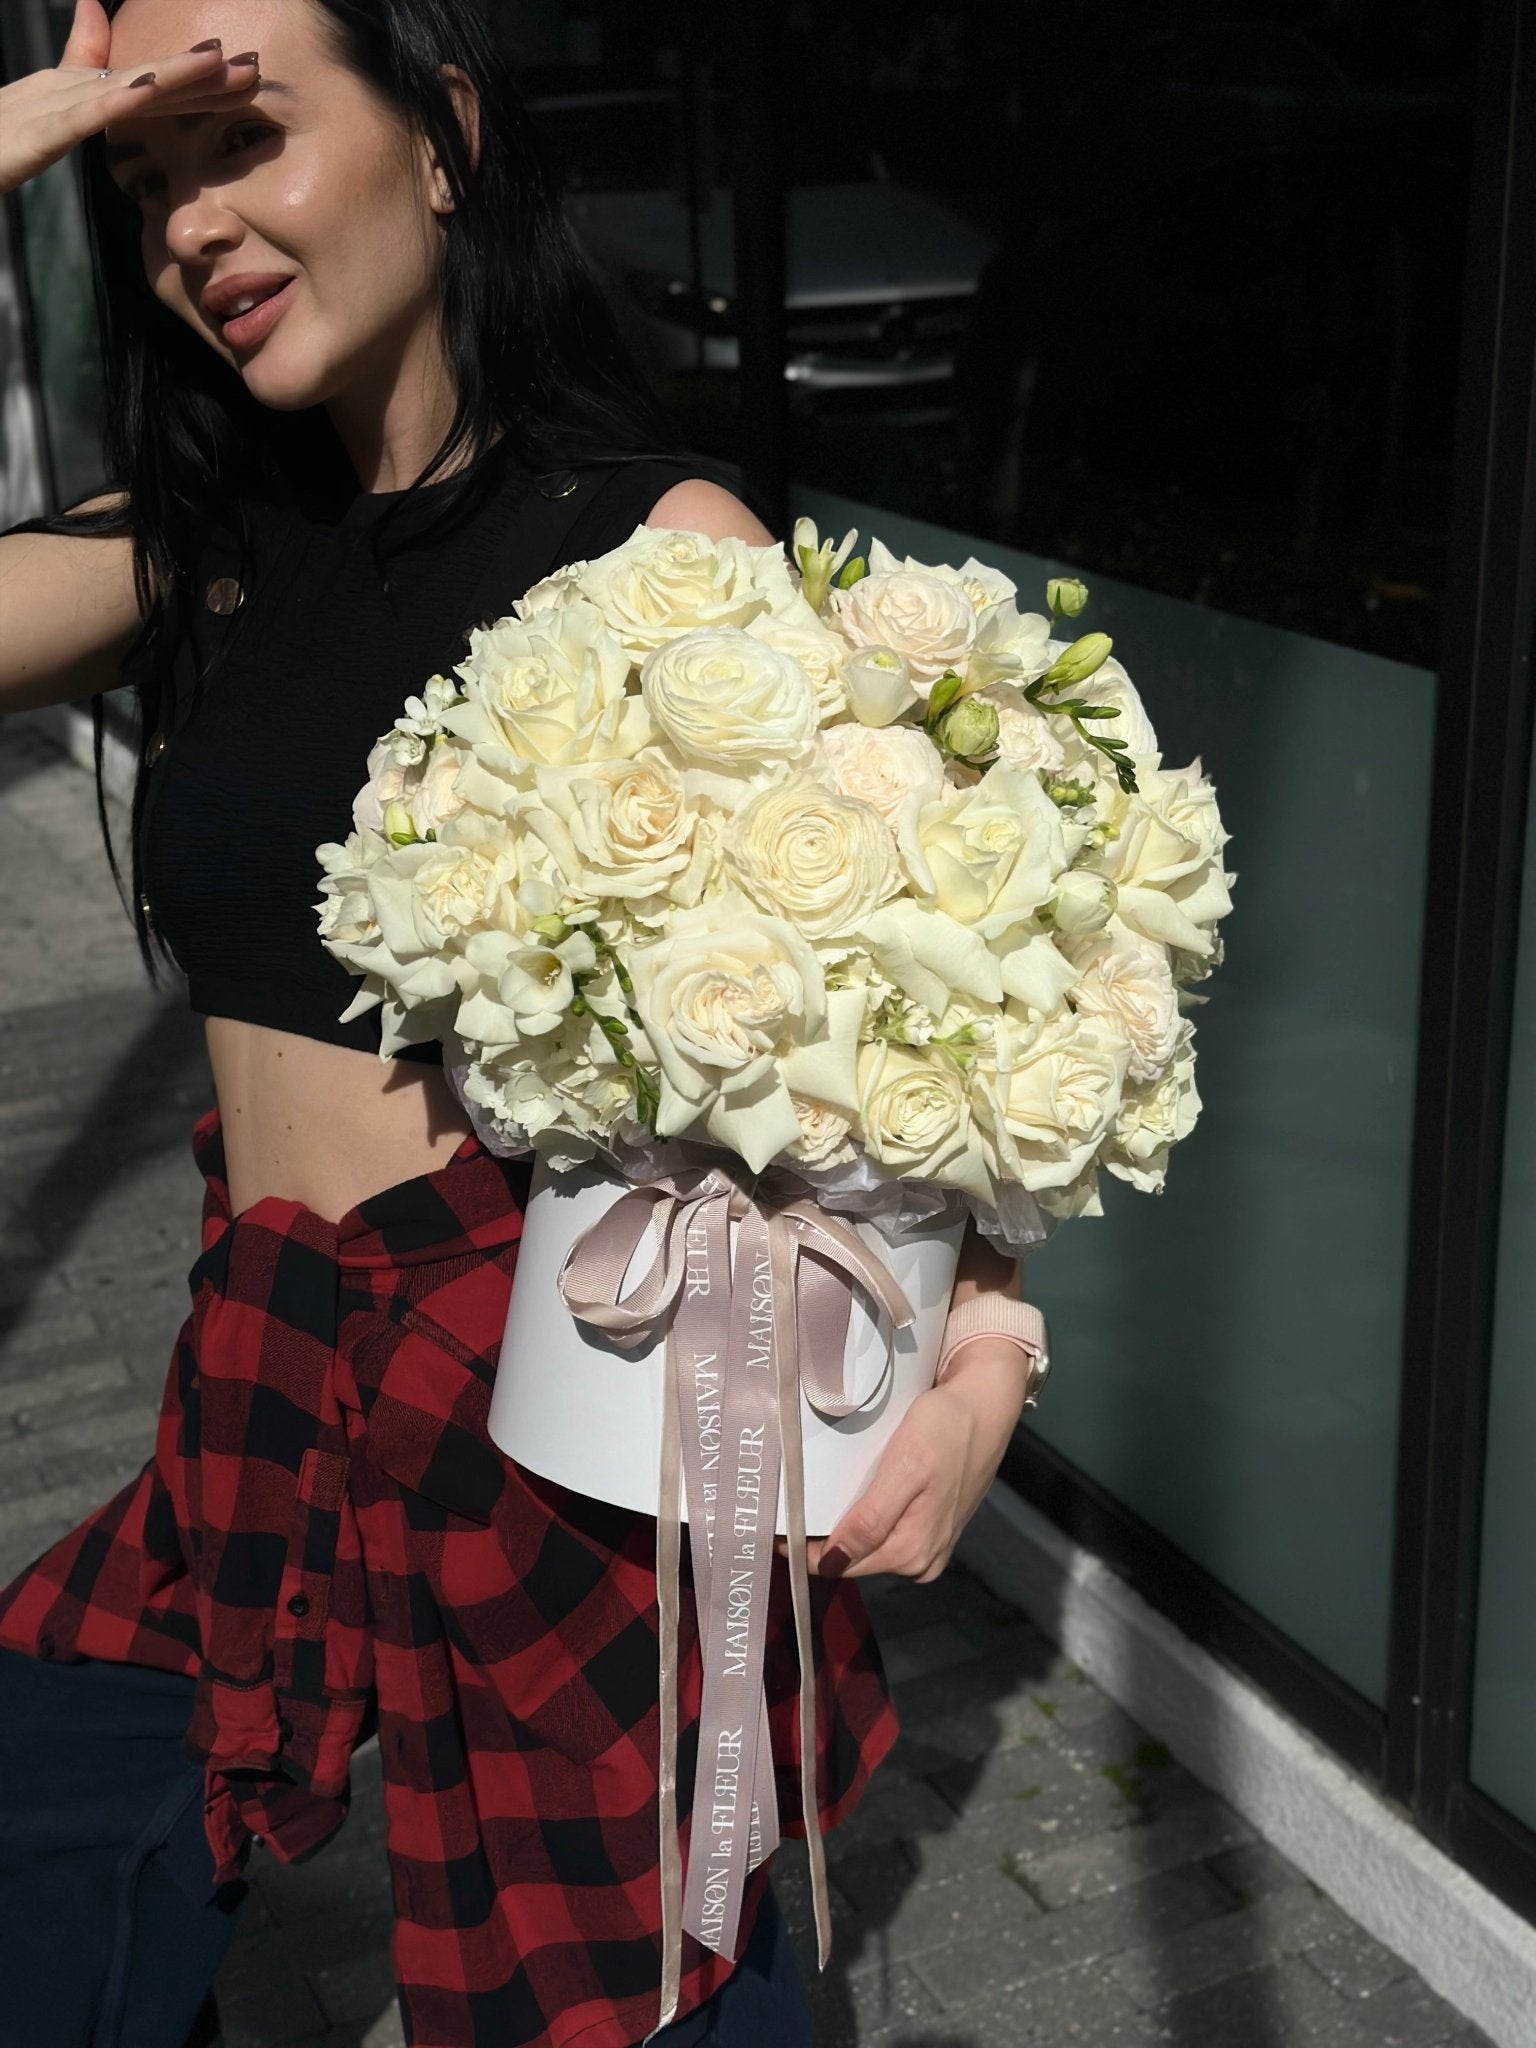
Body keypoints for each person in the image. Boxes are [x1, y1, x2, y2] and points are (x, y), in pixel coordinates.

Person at [0, 4, 1044, 2044]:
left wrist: (986, 1344)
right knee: (49, 1824)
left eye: (242, 139)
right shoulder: (200, 545)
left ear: (447, 140)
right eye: (143, 185)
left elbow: (938, 994)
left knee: (628, 1983)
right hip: (267, 1367)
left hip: (570, 1413)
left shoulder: (659, 549)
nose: (194, 223)